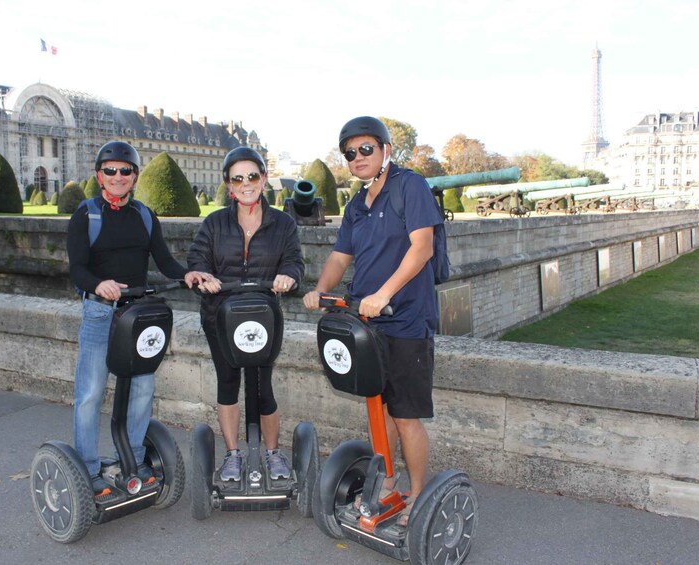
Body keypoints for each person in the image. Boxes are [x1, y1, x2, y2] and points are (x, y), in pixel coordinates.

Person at [302, 116, 444, 526]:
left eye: (366, 148)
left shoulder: (409, 186)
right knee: (378, 411)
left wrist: (383, 294)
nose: (358, 157)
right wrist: (320, 290)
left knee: (405, 414)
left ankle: (418, 494)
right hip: (368, 323)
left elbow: (422, 248)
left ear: (385, 150)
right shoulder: (356, 205)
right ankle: (388, 481)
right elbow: (339, 257)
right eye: (350, 152)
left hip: (405, 321)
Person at [67, 140, 210, 494]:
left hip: (138, 315)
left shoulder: (144, 215)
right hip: (101, 313)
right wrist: (100, 284)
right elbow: (77, 271)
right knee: (91, 392)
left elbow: (164, 260)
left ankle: (130, 457)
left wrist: (188, 275)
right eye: (110, 171)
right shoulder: (86, 215)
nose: (118, 177)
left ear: (135, 175)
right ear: (99, 175)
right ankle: (87, 467)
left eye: (125, 170)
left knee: (143, 388)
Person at [187, 146, 304, 482]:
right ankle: (233, 455)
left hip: (263, 318)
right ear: (229, 185)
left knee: (263, 386)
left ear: (264, 179)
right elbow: (197, 261)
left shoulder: (282, 223)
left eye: (252, 176)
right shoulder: (214, 223)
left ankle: (271, 453)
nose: (246, 184)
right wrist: (200, 275)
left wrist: (289, 276)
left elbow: (295, 262)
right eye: (238, 179)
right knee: (228, 383)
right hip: (220, 318)